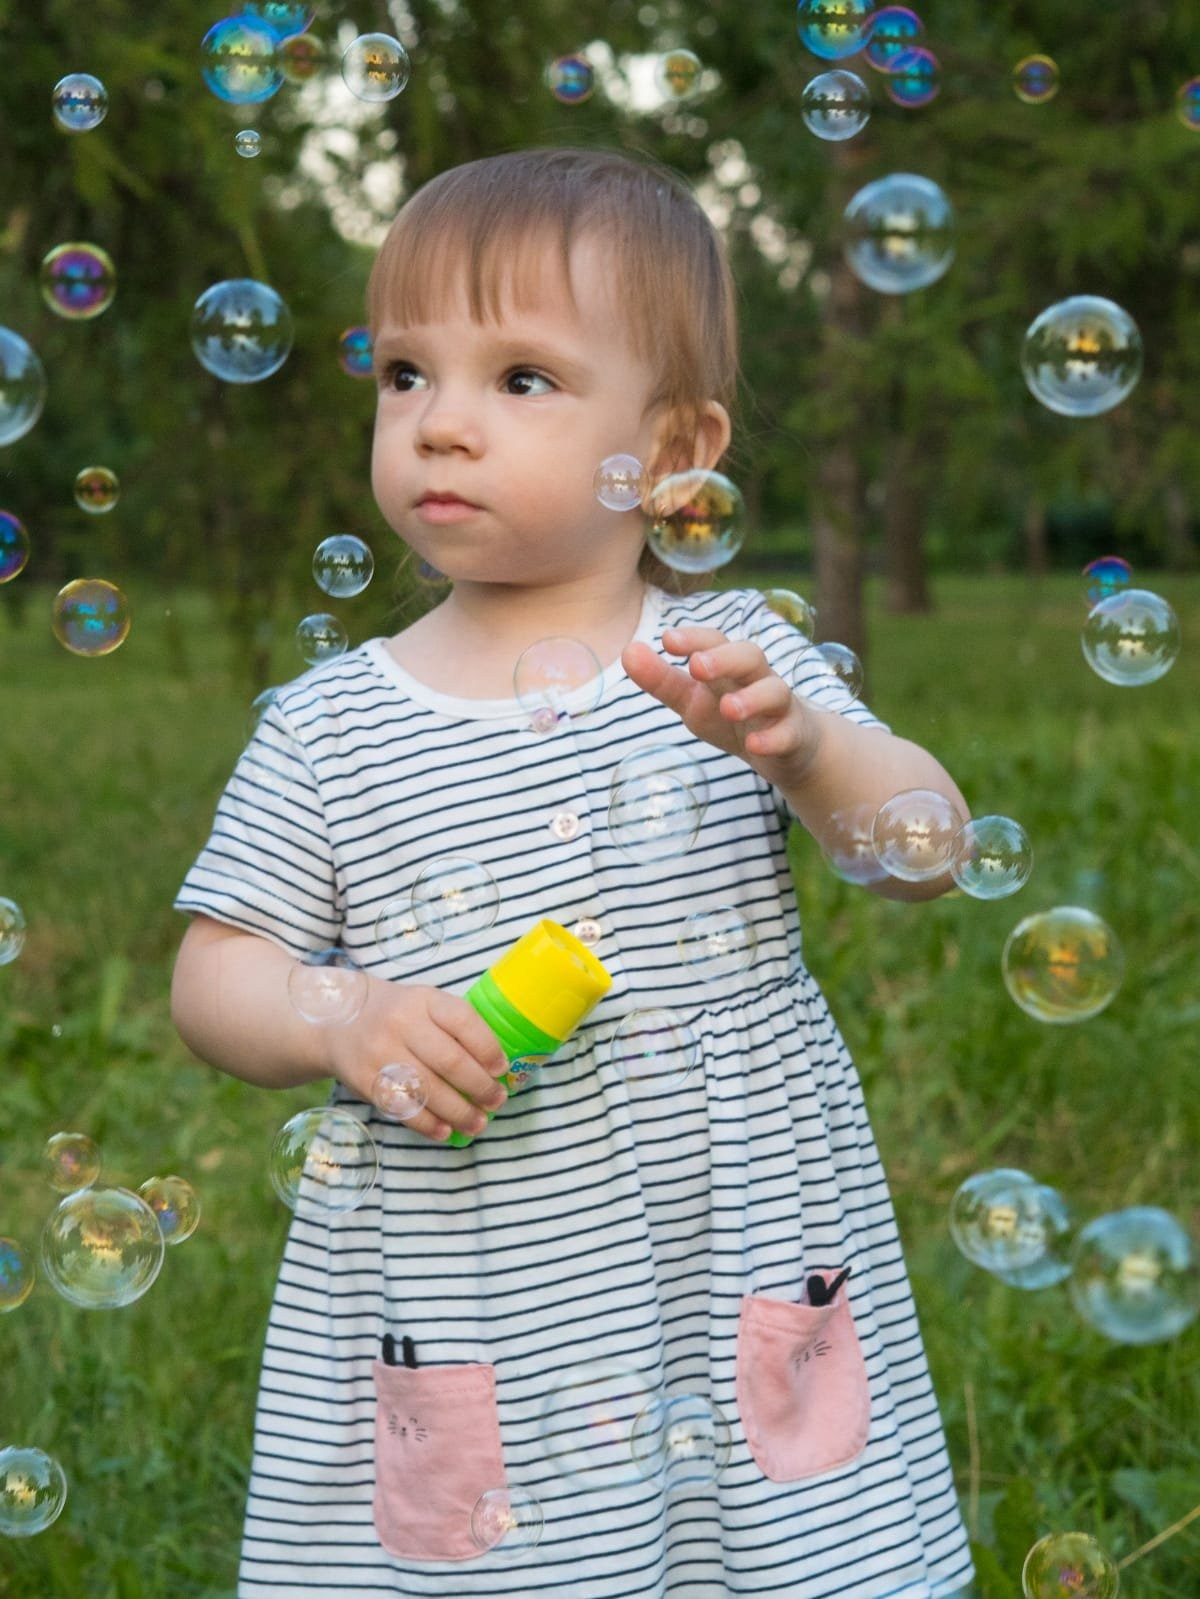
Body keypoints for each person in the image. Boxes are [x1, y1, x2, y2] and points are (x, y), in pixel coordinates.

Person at [171, 146, 975, 1599]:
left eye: (521, 380)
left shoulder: (734, 665)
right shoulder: (334, 726)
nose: (442, 428)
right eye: (406, 374)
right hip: (470, 1271)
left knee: (776, 1545)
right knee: (498, 1563)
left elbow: (924, 846)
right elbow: (215, 971)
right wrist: (337, 1014)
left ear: (672, 453)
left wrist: (806, 756)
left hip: (733, 1245)